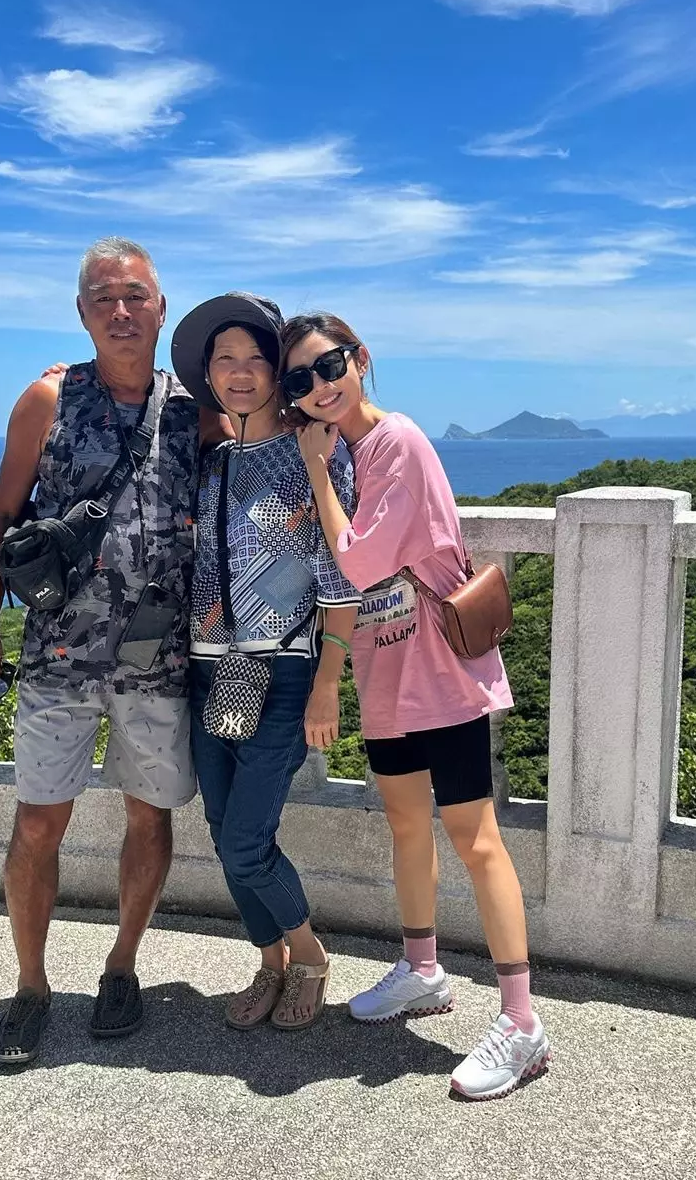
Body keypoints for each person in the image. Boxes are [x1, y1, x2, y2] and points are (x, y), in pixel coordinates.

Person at [0, 236, 223, 1065]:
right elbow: (0, 515)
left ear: (160, 308)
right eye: (104, 297)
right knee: (39, 821)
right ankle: (30, 987)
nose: (121, 311)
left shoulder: (196, 409)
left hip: (159, 659)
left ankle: (121, 966)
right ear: (81, 313)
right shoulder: (48, 397)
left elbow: (271, 444)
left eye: (135, 295)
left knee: (149, 815)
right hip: (57, 655)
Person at [282, 312, 552, 1098]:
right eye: (299, 379)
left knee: (475, 840)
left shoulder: (394, 441)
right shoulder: (346, 454)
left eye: (328, 365)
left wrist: (313, 472)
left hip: (438, 672)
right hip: (385, 672)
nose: (318, 386)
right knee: (405, 823)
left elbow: (360, 562)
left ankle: (522, 1022)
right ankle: (422, 970)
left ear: (360, 359)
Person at [170, 293, 360, 1031]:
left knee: (247, 842)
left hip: (281, 672)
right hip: (209, 671)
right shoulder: (210, 461)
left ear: (279, 374)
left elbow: (340, 574)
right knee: (224, 832)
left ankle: (307, 954)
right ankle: (269, 960)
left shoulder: (314, 453)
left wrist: (328, 682)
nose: (242, 372)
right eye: (226, 359)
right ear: (209, 374)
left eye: (257, 359)